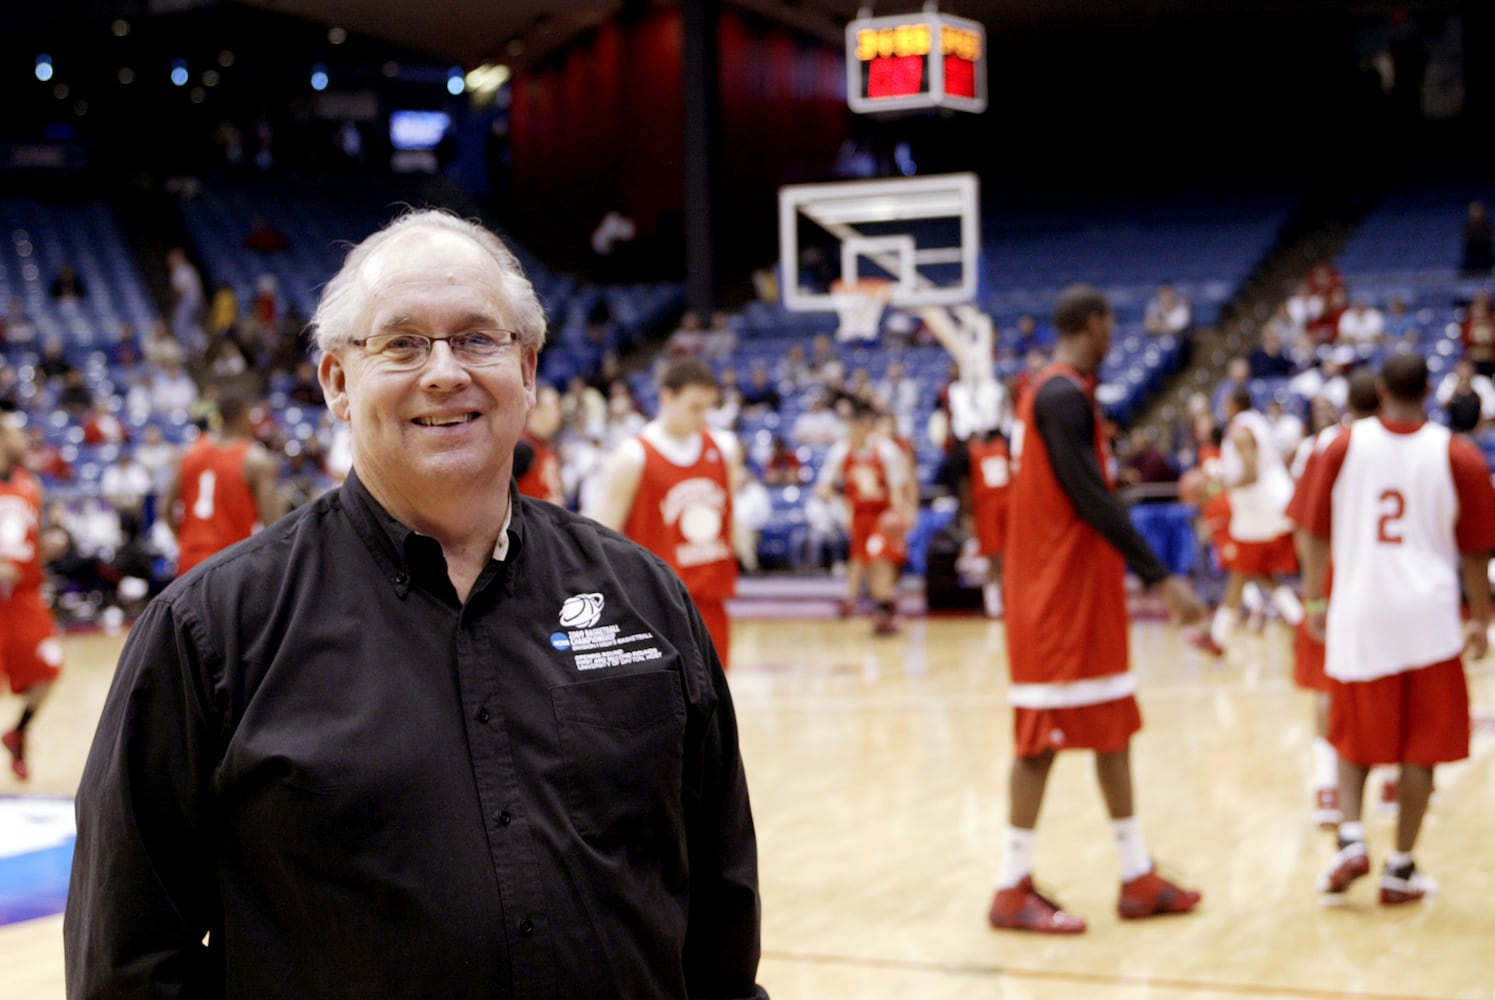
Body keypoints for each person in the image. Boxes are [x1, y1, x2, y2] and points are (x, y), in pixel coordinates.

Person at [65, 208, 767, 998]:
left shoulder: (646, 600)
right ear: (336, 380)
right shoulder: (208, 633)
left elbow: (719, 919)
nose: (444, 372)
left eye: (476, 338)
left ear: (527, 369)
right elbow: (126, 964)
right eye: (401, 344)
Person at [990, 284, 1205, 934]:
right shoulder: (1058, 394)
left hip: (1080, 590)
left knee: (1112, 729)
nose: (1115, 334)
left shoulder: (1059, 392)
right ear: (1094, 324)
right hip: (1053, 596)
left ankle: (1135, 873)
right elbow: (1087, 495)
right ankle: (1009, 886)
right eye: (1111, 323)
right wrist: (1159, 576)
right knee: (1040, 742)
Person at [1295, 353, 1495, 905]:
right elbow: (1477, 551)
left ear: (1380, 389)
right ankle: (1401, 866)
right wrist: (1481, 617)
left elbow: (1311, 531)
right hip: (1429, 618)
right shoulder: (1458, 454)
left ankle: (1351, 837)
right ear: (1429, 390)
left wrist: (1315, 597)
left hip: (1358, 608)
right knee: (1421, 748)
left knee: (1350, 734)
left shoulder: (1339, 445)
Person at [587, 356, 743, 669]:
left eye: (708, 408)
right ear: (667, 398)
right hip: (655, 605)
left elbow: (730, 515)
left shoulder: (725, 448)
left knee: (714, 705)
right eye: (694, 407)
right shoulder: (633, 456)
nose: (703, 417)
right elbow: (600, 536)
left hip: (711, 598)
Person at [1283, 371, 1379, 829]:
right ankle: (1395, 781)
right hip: (1386, 578)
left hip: (1337, 574)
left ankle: (1327, 787)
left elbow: (1304, 525)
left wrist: (1312, 591)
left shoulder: (1322, 449)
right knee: (1390, 680)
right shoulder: (1412, 443)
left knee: (1326, 686)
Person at [1193, 385, 1303, 657]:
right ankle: (1298, 622)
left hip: (1260, 509)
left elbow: (1251, 475)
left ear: (1232, 403)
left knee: (1242, 569)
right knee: (1258, 571)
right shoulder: (1257, 421)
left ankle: (1219, 638)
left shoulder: (1241, 431)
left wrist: (1221, 484)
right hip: (1272, 504)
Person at [0, 412, 65, 782]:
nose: (24, 441)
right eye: (16, 434)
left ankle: (18, 731)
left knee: (49, 670)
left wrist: (47, 547)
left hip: (23, 597)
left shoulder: (29, 485)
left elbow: (25, 545)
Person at [816, 399, 914, 636]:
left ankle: (884, 608)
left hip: (882, 516)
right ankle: (881, 608)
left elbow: (897, 489)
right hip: (859, 516)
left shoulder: (886, 450)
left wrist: (899, 516)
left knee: (880, 561)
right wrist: (839, 503)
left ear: (866, 426)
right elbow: (823, 487)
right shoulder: (841, 450)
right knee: (860, 561)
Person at [159, 392, 285, 575]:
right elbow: (273, 524)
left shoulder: (189, 452)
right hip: (231, 564)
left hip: (190, 563)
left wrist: (185, 540)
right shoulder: (255, 460)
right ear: (243, 415)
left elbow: (165, 508)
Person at [513, 382, 565, 505]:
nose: (558, 413)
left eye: (558, 407)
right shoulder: (520, 448)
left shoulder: (549, 448)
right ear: (533, 410)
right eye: (553, 407)